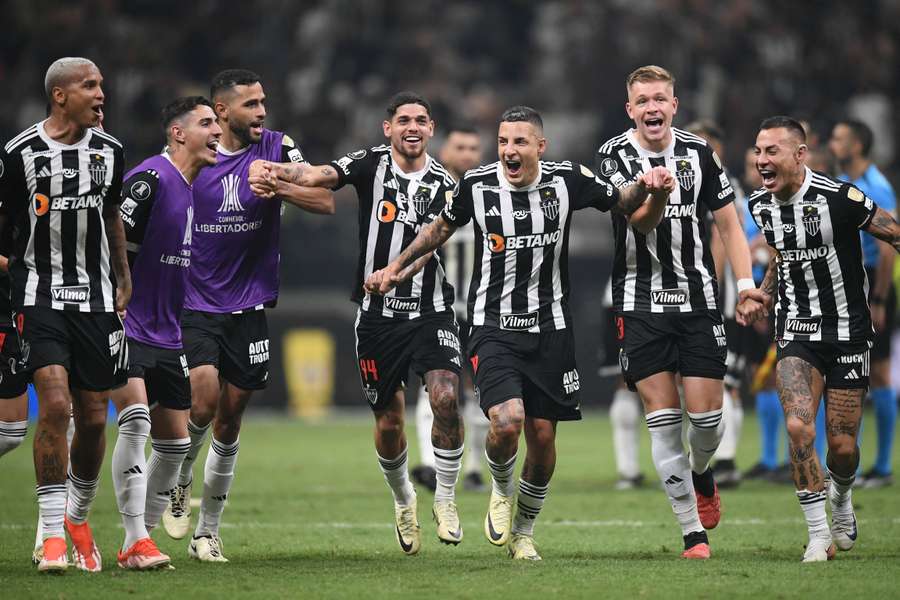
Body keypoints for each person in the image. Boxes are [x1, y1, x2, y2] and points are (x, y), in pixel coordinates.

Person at [365, 105, 674, 560]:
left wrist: (647, 186)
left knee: (544, 438)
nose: (509, 150)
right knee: (507, 422)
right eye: (504, 141)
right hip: (492, 328)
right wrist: (395, 267)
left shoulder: (567, 180)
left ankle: (524, 532)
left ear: (540, 147)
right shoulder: (476, 184)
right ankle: (502, 491)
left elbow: (621, 202)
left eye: (520, 142)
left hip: (552, 329)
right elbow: (439, 230)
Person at [249, 92, 465, 555]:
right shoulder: (370, 164)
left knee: (446, 396)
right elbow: (319, 176)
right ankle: (404, 499)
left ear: (432, 129)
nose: (412, 127)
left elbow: (432, 247)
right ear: (387, 128)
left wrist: (395, 273)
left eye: (421, 120)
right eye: (403, 119)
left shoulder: (448, 184)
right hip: (377, 319)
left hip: (431, 310)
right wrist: (277, 171)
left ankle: (445, 498)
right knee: (389, 422)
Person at [162, 69, 334, 563]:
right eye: (251, 105)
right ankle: (180, 476)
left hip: (250, 303)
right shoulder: (197, 155)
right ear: (222, 112)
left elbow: (324, 200)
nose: (261, 112)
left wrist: (279, 187)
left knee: (231, 418)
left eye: (264, 102)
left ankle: (208, 532)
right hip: (195, 301)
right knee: (204, 398)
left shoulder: (278, 147)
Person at [595, 66, 764, 559]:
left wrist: (747, 285)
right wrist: (656, 194)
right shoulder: (613, 157)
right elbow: (639, 224)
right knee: (665, 419)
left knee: (708, 420)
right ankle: (692, 532)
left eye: (660, 99)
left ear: (674, 105)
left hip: (697, 300)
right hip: (639, 303)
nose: (652, 107)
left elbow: (730, 226)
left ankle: (702, 471)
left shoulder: (699, 154)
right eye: (642, 100)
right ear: (630, 110)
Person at [747, 115, 900, 561]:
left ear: (800, 154)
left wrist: (885, 298)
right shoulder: (761, 205)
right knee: (799, 427)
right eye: (758, 151)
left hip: (849, 333)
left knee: (843, 447)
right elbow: (781, 254)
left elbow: (892, 231)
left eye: (771, 151)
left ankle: (842, 498)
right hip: (796, 330)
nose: (761, 160)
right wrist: (764, 294)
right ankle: (818, 535)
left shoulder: (841, 198)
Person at [0, 57, 131, 572]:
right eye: (90, 85)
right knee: (54, 405)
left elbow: (112, 214)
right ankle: (50, 535)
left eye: (101, 83)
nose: (101, 92)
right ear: (60, 95)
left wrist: (124, 275)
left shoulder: (111, 151)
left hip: (98, 300)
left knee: (96, 418)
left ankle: (77, 518)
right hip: (38, 294)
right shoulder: (18, 154)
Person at [109, 96, 222, 569]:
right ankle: (128, 538)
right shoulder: (149, 179)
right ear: (178, 133)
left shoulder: (190, 187)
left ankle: (143, 538)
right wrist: (114, 304)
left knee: (176, 444)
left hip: (168, 334)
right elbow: (112, 245)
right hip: (129, 325)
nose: (217, 131)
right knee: (133, 422)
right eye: (206, 123)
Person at [411, 124, 490, 493]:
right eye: (461, 146)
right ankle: (427, 463)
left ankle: (474, 468)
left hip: (481, 306)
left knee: (477, 388)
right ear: (445, 151)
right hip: (438, 305)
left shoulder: (489, 193)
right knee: (435, 383)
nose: (468, 154)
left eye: (474, 147)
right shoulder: (431, 194)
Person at [829, 119, 898, 488]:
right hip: (846, 279)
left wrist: (882, 298)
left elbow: (889, 243)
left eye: (839, 139)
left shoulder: (877, 186)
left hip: (872, 282)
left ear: (857, 145)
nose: (833, 144)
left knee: (882, 372)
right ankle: (841, 459)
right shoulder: (840, 184)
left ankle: (884, 465)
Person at [685, 119, 747, 488]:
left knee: (726, 382)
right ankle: (712, 460)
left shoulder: (723, 188)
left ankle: (724, 460)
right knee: (702, 385)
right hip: (701, 298)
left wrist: (715, 291)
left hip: (714, 299)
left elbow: (723, 239)